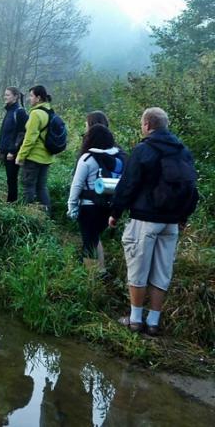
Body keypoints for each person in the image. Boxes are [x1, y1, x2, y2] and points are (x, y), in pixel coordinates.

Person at [108, 107, 198, 335]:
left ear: (147, 125)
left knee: (138, 269)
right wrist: (183, 217)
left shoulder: (144, 149)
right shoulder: (182, 150)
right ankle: (154, 322)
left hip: (145, 218)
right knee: (162, 272)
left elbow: (128, 183)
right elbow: (190, 186)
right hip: (171, 223)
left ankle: (135, 320)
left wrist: (115, 212)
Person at [67, 123, 125, 274]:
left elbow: (77, 185)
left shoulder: (87, 158)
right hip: (108, 206)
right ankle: (101, 271)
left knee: (89, 243)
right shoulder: (118, 157)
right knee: (95, 237)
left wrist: (72, 207)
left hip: (89, 207)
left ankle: (91, 278)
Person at [15, 85, 56, 209]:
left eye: (31, 96)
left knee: (28, 187)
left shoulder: (36, 114)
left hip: (33, 157)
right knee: (41, 187)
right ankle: (46, 214)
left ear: (38, 98)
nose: (29, 98)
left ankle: (27, 214)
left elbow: (30, 139)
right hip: (47, 157)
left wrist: (20, 156)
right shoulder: (50, 111)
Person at [0, 87, 29, 202]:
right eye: (5, 94)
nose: (5, 97)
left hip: (13, 152)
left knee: (12, 178)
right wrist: (0, 147)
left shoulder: (19, 112)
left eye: (8, 95)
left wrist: (12, 151)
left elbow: (22, 133)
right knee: (9, 178)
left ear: (15, 97)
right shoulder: (9, 111)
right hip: (6, 150)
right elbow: (5, 132)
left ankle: (12, 202)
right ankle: (11, 201)